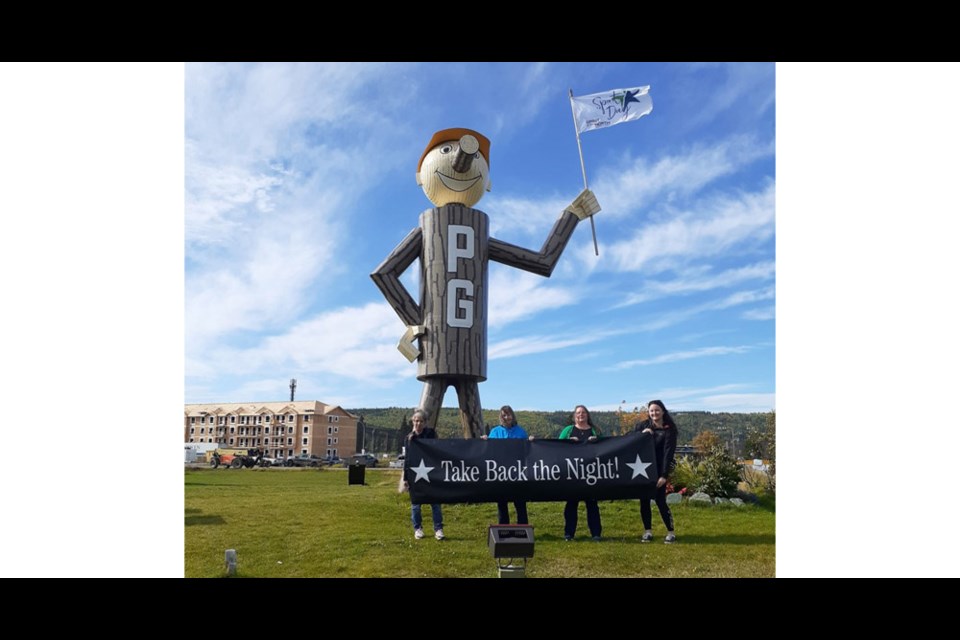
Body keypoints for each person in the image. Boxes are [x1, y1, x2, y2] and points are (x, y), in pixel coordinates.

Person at [634, 400, 678, 544]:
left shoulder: (669, 430)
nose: (654, 413)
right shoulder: (643, 426)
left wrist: (664, 475)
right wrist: (642, 434)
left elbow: (668, 454)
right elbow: (629, 438)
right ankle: (648, 531)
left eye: (657, 410)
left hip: (659, 470)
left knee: (660, 501)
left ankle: (671, 532)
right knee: (644, 501)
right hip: (643, 469)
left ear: (663, 411)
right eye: (651, 411)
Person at [558, 405, 602, 541]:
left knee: (592, 504)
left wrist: (597, 441)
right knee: (571, 504)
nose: (580, 415)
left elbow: (605, 447)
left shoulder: (595, 431)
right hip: (573, 473)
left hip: (591, 473)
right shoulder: (568, 430)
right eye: (578, 413)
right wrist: (567, 442)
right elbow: (556, 447)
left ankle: (596, 534)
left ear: (587, 415)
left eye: (583, 413)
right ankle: (569, 534)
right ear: (574, 416)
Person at [482, 405, 531, 524]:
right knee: (502, 503)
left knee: (520, 502)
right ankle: (503, 529)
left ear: (512, 416)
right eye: (504, 415)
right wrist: (484, 441)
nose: (506, 417)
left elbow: (528, 449)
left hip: (517, 472)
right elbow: (489, 450)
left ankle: (523, 528)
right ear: (501, 417)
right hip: (500, 472)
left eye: (508, 414)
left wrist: (531, 441)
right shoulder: (495, 431)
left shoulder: (520, 431)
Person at [401, 408, 445, 540]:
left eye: (420, 421)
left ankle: (438, 528)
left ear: (425, 422)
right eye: (415, 421)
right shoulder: (408, 438)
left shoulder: (431, 434)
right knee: (416, 504)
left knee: (435, 502)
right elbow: (407, 459)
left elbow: (437, 450)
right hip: (415, 473)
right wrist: (405, 478)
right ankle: (418, 528)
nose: (417, 424)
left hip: (431, 472)